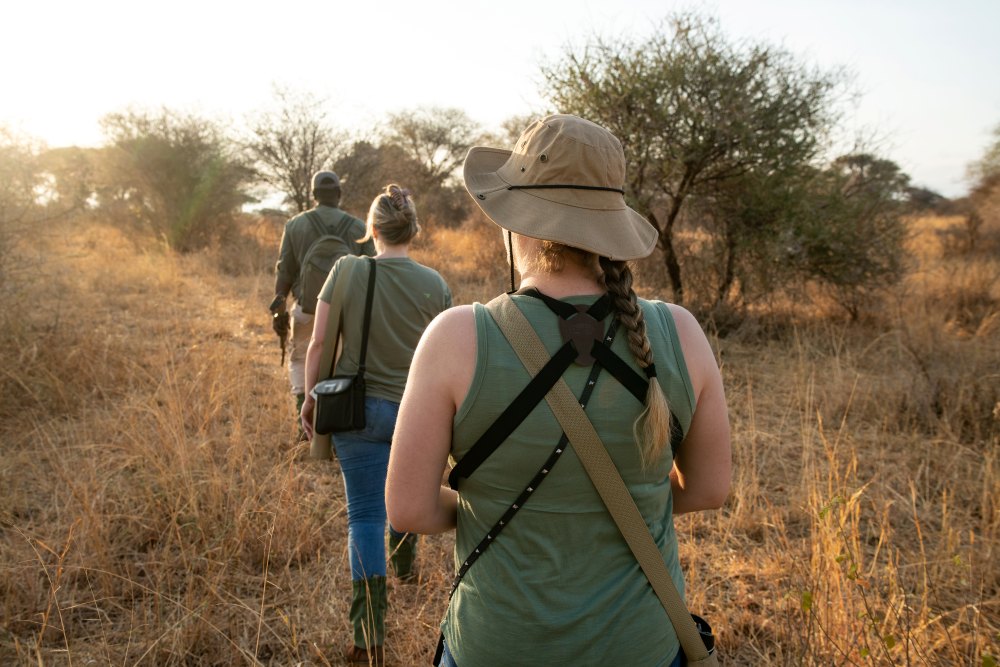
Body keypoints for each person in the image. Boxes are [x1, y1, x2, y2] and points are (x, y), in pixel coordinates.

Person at [386, 115, 732, 666]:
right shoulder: (681, 333)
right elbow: (710, 488)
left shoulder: (455, 338)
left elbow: (408, 509)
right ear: (613, 226)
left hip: (497, 647)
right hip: (640, 646)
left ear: (514, 219)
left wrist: (492, 504)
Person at [301, 184, 452, 665]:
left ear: (371, 229)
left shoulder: (346, 270)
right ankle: (405, 566)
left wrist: (310, 396)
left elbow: (318, 343)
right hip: (417, 414)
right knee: (410, 496)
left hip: (357, 412)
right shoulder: (435, 284)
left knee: (365, 516)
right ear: (414, 229)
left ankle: (368, 636)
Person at [270, 171, 375, 428]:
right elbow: (372, 270)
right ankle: (334, 423)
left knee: (300, 359)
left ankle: (302, 420)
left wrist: (279, 308)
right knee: (342, 364)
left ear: (314, 195)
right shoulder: (358, 227)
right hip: (346, 310)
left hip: (307, 307)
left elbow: (285, 271)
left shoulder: (295, 225)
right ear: (338, 193)